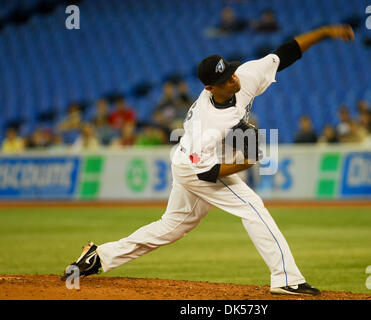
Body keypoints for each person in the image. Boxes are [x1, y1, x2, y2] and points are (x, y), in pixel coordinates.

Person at [61, 24, 355, 296]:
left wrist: (327, 32)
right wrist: (247, 162)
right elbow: (207, 174)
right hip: (196, 167)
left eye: (231, 72)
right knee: (253, 208)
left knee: (171, 227)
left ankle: (98, 257)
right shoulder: (209, 123)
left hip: (200, 159)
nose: (233, 79)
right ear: (210, 88)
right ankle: (286, 279)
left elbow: (287, 52)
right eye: (225, 79)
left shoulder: (245, 76)